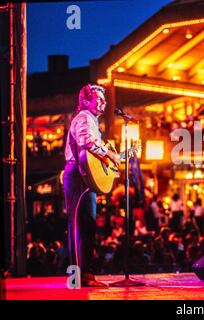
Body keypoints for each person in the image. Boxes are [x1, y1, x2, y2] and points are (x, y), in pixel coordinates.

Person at [63, 84, 120, 287]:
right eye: (99, 99)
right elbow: (86, 141)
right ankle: (81, 277)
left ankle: (82, 276)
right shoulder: (85, 117)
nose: (104, 102)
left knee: (85, 226)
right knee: (80, 227)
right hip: (78, 175)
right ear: (86, 101)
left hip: (84, 177)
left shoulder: (92, 120)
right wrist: (111, 154)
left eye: (104, 99)